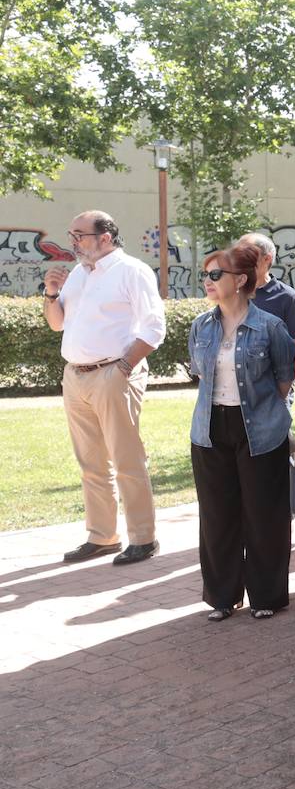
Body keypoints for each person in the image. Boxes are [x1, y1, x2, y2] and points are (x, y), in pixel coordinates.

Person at [41, 211, 165, 565]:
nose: (73, 242)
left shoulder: (132, 271)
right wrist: (52, 294)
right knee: (90, 462)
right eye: (71, 234)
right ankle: (103, 535)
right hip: (75, 376)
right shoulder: (79, 274)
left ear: (106, 237)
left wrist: (123, 367)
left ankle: (144, 537)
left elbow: (154, 327)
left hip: (114, 373)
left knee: (126, 458)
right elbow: (57, 324)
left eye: (79, 234)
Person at [187, 240, 295, 621]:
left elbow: (284, 380)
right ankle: (222, 596)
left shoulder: (270, 326)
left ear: (241, 279)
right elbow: (201, 375)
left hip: (261, 429)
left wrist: (263, 411)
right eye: (205, 275)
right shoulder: (200, 326)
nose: (208, 281)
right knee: (217, 515)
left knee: (264, 515)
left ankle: (266, 596)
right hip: (210, 428)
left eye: (216, 274)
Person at [240, 232, 295, 376]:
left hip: (272, 389)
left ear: (266, 259)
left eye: (247, 255)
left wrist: (286, 387)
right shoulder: (232, 294)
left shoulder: (288, 297)